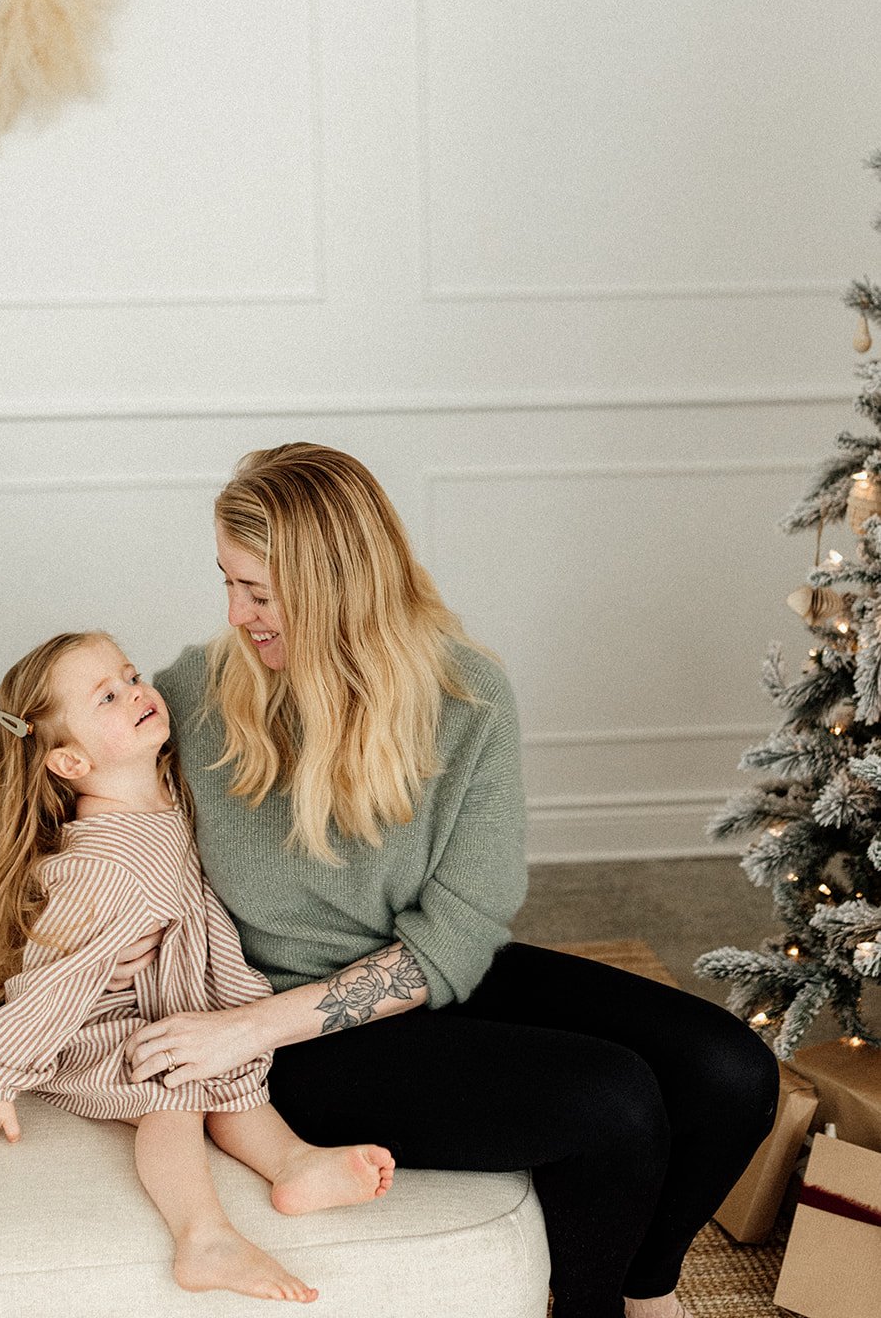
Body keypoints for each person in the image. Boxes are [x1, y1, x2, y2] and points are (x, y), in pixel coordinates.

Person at [116, 442, 779, 1318]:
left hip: (412, 978)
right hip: (284, 1042)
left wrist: (252, 1025)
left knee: (733, 1073)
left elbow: (463, 928)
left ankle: (645, 1286)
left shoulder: (467, 696)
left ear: (336, 592)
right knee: (613, 1103)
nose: (237, 615)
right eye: (228, 583)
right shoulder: (197, 694)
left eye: (260, 593)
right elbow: (74, 801)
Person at [0, 631, 395, 1304]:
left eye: (130, 674)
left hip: (162, 1004)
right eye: (107, 695)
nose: (136, 690)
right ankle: (203, 1238)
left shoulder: (164, 790)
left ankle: (293, 1163)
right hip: (91, 1030)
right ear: (70, 760)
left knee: (220, 1064)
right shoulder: (103, 867)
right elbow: (54, 989)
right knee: (172, 1090)